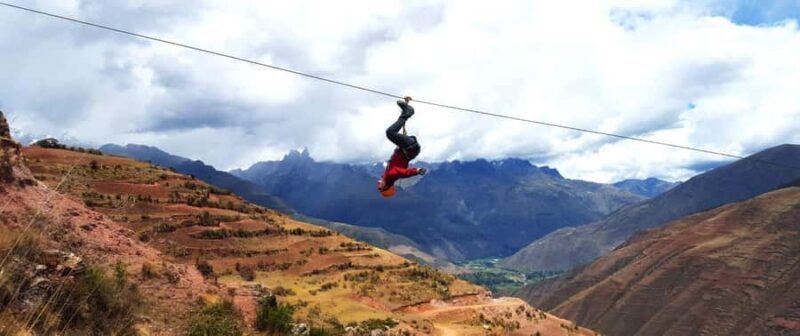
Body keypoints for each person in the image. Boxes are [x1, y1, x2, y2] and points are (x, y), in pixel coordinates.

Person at [377, 97, 427, 198]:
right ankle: (408, 111)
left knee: (391, 133)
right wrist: (417, 171)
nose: (378, 185)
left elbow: (400, 170)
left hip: (408, 148)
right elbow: (404, 173)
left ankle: (406, 111)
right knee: (390, 133)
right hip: (409, 148)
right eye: (380, 187)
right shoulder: (391, 176)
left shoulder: (387, 177)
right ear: (386, 186)